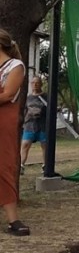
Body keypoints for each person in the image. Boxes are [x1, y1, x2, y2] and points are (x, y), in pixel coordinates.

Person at [0, 29, 29, 235]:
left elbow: (8, 94)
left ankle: (13, 220)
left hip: (4, 120)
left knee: (4, 165)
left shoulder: (15, 66)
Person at [20, 76, 48, 173]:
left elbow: (51, 110)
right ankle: (21, 166)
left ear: (41, 84)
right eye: (33, 83)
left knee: (45, 145)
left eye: (37, 83)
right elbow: (23, 111)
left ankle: (46, 166)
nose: (35, 85)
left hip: (43, 126)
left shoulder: (46, 97)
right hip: (29, 126)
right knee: (25, 145)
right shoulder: (28, 98)